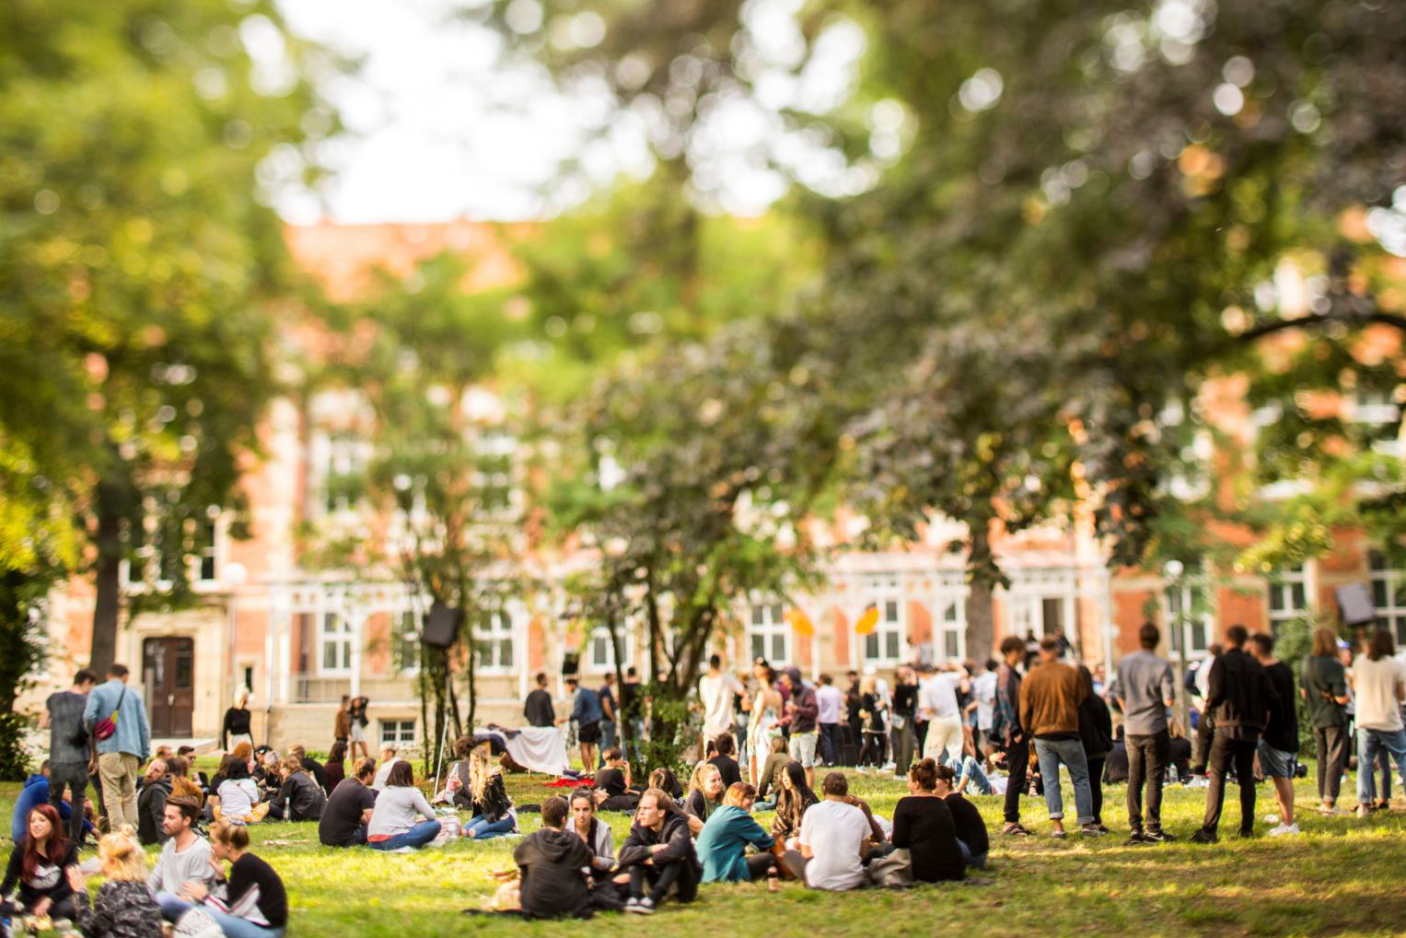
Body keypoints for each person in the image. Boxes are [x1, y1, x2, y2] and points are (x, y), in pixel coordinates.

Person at [1193, 624, 1274, 843]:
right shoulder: (1255, 664)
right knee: (1246, 776)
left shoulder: (1222, 662)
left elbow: (1216, 692)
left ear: (1228, 640)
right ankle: (1247, 828)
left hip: (1226, 725)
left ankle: (1209, 830)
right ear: (1244, 640)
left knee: (1217, 776)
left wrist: (1209, 707)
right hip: (1249, 728)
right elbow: (1269, 695)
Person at [1020, 637, 1099, 837]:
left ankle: (1057, 825)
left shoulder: (1032, 677)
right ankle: (1086, 824)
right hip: (1068, 730)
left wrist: (1029, 728)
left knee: (1050, 779)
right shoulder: (1070, 673)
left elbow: (1024, 710)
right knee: (1081, 777)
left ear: (1040, 651)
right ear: (1057, 650)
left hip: (1043, 734)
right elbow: (1081, 698)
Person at [1117, 621, 1178, 844]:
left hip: (1132, 728)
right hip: (1154, 727)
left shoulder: (1125, 663)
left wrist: (1129, 713)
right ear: (1158, 640)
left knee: (1135, 777)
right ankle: (1153, 828)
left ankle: (1135, 828)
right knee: (1154, 778)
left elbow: (1119, 694)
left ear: (1139, 638)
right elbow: (1168, 699)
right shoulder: (1161, 666)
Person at [183, 818, 288, 938]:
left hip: (268, 931)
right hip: (265, 926)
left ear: (228, 845)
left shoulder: (244, 866)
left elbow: (231, 911)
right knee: (201, 909)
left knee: (201, 912)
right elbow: (231, 899)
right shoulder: (244, 862)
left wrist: (205, 897)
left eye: (214, 842)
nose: (211, 847)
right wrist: (220, 877)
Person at [82, 664, 151, 833]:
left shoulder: (98, 691)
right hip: (132, 750)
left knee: (111, 795)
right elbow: (144, 727)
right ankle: (131, 834)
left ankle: (118, 833)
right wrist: (144, 753)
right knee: (130, 795)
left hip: (108, 748)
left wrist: (98, 730)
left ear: (108, 675)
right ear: (125, 676)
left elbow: (88, 717)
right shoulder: (134, 695)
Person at [65, 826, 163, 938]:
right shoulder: (146, 890)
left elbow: (91, 930)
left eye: (101, 858)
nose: (99, 863)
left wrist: (80, 891)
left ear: (114, 862)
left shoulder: (111, 889)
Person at [1247, 631, 1300, 835]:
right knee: (1286, 777)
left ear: (1257, 648)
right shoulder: (1285, 669)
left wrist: (1260, 731)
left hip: (1273, 733)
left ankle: (1287, 824)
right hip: (1289, 728)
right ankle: (1289, 819)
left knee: (1280, 778)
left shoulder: (1263, 673)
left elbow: (1266, 706)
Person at [617, 789, 700, 914]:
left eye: (647, 808)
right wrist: (650, 849)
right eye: (641, 808)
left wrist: (651, 860)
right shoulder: (640, 826)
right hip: (654, 879)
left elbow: (676, 851)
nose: (641, 813)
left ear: (661, 812)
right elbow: (623, 854)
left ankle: (652, 900)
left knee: (677, 857)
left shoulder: (677, 824)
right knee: (635, 855)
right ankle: (635, 897)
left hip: (682, 886)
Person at [783, 772, 870, 891]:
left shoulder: (812, 811)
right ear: (846, 792)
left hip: (819, 880)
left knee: (789, 855)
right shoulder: (858, 814)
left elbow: (806, 854)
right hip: (853, 879)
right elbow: (863, 853)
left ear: (823, 789)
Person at [513, 796, 598, 919]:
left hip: (534, 906)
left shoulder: (531, 841)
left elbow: (518, 858)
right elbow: (589, 860)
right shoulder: (574, 841)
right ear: (564, 819)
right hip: (571, 906)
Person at [1352, 628, 1406, 818]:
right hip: (1388, 719)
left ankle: (1364, 804)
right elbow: (1401, 695)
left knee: (1365, 762)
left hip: (1365, 719)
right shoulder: (1395, 665)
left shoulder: (1360, 662)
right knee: (1402, 759)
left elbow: (1354, 686)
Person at [1302, 625, 1351, 813]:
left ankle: (1322, 796)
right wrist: (1348, 695)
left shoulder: (1307, 662)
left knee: (1322, 757)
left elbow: (1304, 692)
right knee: (1335, 757)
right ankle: (1330, 801)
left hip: (1316, 715)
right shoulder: (1334, 665)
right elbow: (1340, 698)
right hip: (1334, 716)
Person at [2, 804, 80, 922]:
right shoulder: (22, 848)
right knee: (5, 908)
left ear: (53, 824)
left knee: (67, 910)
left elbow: (70, 883)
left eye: (42, 820)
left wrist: (49, 900)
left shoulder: (68, 848)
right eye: (32, 821)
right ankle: (29, 914)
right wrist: (2, 895)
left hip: (57, 900)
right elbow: (9, 881)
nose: (36, 825)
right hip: (28, 900)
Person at [45, 668, 97, 847]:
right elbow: (91, 730)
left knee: (54, 798)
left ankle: (49, 838)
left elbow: (43, 722)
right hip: (79, 757)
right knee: (78, 799)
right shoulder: (87, 701)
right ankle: (74, 842)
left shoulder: (54, 698)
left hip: (58, 756)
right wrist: (94, 757)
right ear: (86, 682)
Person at [891, 759, 964, 882]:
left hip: (924, 870)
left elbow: (898, 841)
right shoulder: (943, 804)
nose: (907, 784)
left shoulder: (905, 803)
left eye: (909, 781)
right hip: (953, 869)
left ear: (917, 783)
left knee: (881, 854)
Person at [148, 797, 216, 921]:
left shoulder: (200, 850)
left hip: (192, 915)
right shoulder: (170, 844)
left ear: (186, 821)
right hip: (166, 906)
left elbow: (193, 897)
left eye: (171, 817)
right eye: (165, 816)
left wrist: (156, 906)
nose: (164, 822)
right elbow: (154, 879)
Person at [991, 635, 1032, 836]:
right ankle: (1010, 820)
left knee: (1018, 773)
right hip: (1013, 732)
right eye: (1020, 650)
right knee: (1016, 775)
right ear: (1012, 651)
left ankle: (1013, 818)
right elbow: (1005, 702)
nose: (1023, 653)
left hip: (1017, 730)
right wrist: (1015, 730)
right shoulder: (1005, 672)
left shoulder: (1012, 672)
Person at [696, 782, 776, 883]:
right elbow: (766, 842)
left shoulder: (721, 810)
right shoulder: (739, 816)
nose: (752, 801)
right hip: (720, 872)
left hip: (703, 872)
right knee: (768, 858)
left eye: (753, 797)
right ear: (737, 797)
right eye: (748, 797)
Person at [368, 761, 442, 851]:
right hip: (393, 840)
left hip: (373, 842)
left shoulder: (383, 791)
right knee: (435, 824)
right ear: (409, 775)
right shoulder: (412, 792)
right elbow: (431, 815)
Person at [11, 762, 88, 846]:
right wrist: (93, 830)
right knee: (75, 824)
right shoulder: (43, 786)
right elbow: (67, 811)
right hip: (27, 838)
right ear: (47, 771)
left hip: (20, 837)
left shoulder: (37, 785)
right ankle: (75, 846)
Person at [1077, 665, 1114, 832]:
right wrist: (1106, 742)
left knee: (1081, 784)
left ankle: (1086, 818)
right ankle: (1096, 819)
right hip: (1097, 748)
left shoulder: (1073, 703)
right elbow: (1107, 723)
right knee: (1095, 784)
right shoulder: (1097, 700)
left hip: (1079, 748)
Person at [933, 764, 989, 868]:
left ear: (946, 782)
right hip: (978, 854)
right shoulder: (954, 799)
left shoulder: (950, 803)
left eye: (934, 780)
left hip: (973, 856)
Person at [319, 757, 378, 847]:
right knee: (379, 829)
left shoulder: (344, 782)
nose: (375, 776)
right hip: (344, 839)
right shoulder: (364, 792)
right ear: (369, 773)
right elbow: (374, 823)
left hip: (325, 837)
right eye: (375, 773)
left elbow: (359, 816)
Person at [463, 746, 517, 839]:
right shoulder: (477, 777)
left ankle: (509, 835)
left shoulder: (494, 777)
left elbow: (494, 801)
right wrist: (461, 788)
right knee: (464, 832)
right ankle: (493, 832)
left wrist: (489, 783)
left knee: (472, 834)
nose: (474, 764)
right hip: (487, 815)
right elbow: (479, 801)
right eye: (473, 761)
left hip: (502, 817)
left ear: (484, 761)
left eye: (477, 760)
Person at [919, 663, 967, 765]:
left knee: (933, 751)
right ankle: (956, 775)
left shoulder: (927, 686)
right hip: (955, 717)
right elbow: (964, 674)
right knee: (955, 751)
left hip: (939, 719)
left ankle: (929, 775)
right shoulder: (945, 678)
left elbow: (927, 710)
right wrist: (955, 665)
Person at [779, 668, 820, 787]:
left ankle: (809, 795)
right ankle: (796, 791)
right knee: (793, 766)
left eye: (787, 681)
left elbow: (813, 711)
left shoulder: (808, 692)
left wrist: (797, 709)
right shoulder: (792, 694)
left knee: (807, 765)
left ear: (794, 679)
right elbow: (794, 715)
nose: (785, 684)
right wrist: (781, 722)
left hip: (807, 733)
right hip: (795, 733)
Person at [568, 787, 616, 878]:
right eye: (577, 810)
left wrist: (594, 860)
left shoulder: (603, 829)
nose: (581, 815)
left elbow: (611, 862)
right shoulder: (565, 829)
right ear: (571, 810)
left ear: (593, 809)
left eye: (585, 809)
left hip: (597, 879)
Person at [698, 654, 742, 753]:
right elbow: (742, 690)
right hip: (725, 725)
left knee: (709, 758)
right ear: (719, 664)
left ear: (709, 664)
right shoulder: (728, 679)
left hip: (709, 725)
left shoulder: (703, 681)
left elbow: (703, 701)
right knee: (727, 756)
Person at [748, 666, 783, 785]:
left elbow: (758, 715)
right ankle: (774, 782)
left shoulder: (762, 694)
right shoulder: (778, 695)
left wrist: (751, 733)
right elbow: (780, 716)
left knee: (762, 757)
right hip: (774, 725)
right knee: (773, 754)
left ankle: (764, 785)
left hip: (762, 726)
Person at [771, 760, 818, 844]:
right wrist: (777, 836)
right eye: (783, 776)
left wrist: (787, 839)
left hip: (806, 840)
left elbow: (804, 829)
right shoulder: (784, 797)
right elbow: (780, 823)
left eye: (787, 776)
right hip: (790, 838)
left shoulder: (808, 799)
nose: (784, 779)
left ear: (796, 777)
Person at [268, 755, 326, 822]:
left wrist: (269, 801)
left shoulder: (291, 779)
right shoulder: (304, 775)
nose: (280, 771)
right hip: (316, 813)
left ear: (289, 767)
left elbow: (281, 802)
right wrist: (277, 791)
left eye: (282, 768)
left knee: (269, 805)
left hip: (301, 814)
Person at [212, 756, 268, 824]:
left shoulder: (224, 784)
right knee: (265, 806)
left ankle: (223, 820)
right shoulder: (250, 783)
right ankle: (249, 820)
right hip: (246, 817)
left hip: (226, 817)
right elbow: (255, 804)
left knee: (216, 809)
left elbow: (222, 801)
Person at [565, 677, 603, 772]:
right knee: (591, 745)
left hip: (587, 722)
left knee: (584, 746)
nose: (567, 689)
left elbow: (577, 713)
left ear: (572, 684)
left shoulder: (579, 694)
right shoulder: (588, 691)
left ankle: (586, 770)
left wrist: (567, 718)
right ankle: (592, 769)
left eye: (567, 687)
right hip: (596, 721)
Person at [889, 667, 918, 777]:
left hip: (905, 717)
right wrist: (913, 673)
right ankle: (900, 772)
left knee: (908, 744)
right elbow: (914, 687)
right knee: (903, 744)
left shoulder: (902, 687)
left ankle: (904, 769)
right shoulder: (900, 687)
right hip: (901, 718)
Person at [592, 747, 640, 812]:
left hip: (606, 799)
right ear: (614, 760)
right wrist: (628, 770)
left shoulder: (599, 771)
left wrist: (635, 792)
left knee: (637, 789)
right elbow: (626, 790)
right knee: (638, 798)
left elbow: (617, 788)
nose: (622, 760)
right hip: (614, 800)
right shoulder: (615, 772)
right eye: (620, 758)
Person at [136, 759, 172, 846]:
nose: (151, 772)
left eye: (157, 771)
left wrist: (165, 844)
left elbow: (160, 817)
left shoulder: (156, 790)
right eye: (150, 768)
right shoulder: (144, 783)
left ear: (163, 776)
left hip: (145, 838)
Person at [682, 762, 725, 833]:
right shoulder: (695, 797)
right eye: (713, 781)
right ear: (702, 783)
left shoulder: (722, 793)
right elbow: (691, 825)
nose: (718, 783)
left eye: (719, 779)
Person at [857, 675, 887, 768]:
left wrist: (881, 706)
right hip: (870, 722)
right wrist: (878, 705)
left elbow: (880, 708)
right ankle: (860, 764)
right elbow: (867, 708)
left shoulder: (877, 694)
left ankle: (880, 765)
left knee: (882, 742)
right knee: (868, 744)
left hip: (878, 721)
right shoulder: (865, 695)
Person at [816, 674, 844, 768]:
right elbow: (840, 705)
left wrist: (817, 721)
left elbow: (818, 708)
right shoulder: (836, 690)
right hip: (834, 718)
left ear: (822, 680)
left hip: (824, 719)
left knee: (826, 741)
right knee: (833, 741)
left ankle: (829, 760)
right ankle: (835, 760)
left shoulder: (820, 692)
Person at [755, 736, 793, 805]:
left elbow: (765, 779)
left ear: (773, 746)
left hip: (781, 793)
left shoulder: (772, 757)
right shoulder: (790, 758)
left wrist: (760, 796)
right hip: (793, 792)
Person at [971, 661, 998, 756]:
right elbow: (992, 698)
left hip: (984, 719)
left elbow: (976, 696)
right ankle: (993, 769)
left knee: (990, 744)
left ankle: (991, 770)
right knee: (994, 745)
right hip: (994, 718)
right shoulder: (994, 678)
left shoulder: (979, 681)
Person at [599, 673, 619, 764]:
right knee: (607, 743)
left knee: (605, 742)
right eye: (612, 677)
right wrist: (612, 717)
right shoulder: (606, 689)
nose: (614, 679)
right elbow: (606, 704)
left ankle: (602, 763)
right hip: (607, 720)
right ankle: (604, 764)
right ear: (608, 678)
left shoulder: (604, 689)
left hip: (603, 720)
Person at [348, 695, 370, 761]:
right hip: (352, 731)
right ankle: (353, 765)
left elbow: (367, 699)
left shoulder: (362, 709)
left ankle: (367, 764)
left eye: (358, 702)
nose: (357, 703)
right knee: (353, 751)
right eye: (355, 702)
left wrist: (360, 697)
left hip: (361, 730)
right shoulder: (350, 711)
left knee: (365, 752)